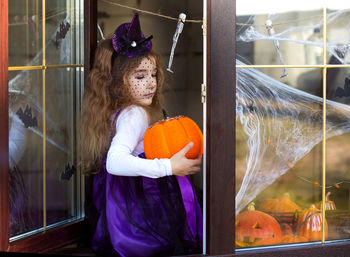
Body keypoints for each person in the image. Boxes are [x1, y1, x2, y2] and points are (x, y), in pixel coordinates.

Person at [81, 13, 203, 257]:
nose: (151, 84)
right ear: (117, 83)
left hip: (125, 202)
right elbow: (115, 162)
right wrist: (168, 166)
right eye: (140, 77)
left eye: (153, 74)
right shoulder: (134, 114)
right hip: (139, 206)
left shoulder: (120, 110)